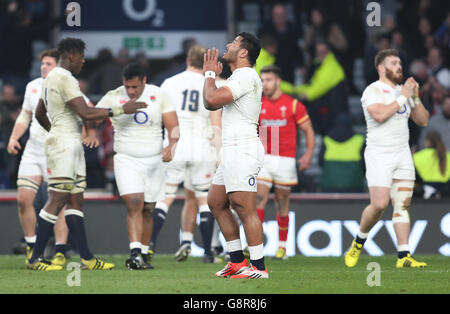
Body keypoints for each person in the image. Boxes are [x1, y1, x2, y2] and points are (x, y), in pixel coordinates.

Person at [30, 37, 146, 271]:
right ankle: (36, 259)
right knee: (57, 199)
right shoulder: (64, 77)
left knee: (75, 199)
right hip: (65, 144)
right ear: (71, 54)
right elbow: (85, 112)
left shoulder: (50, 77)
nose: (84, 61)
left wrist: (54, 131)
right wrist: (122, 109)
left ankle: (86, 258)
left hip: (68, 141)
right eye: (82, 56)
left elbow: (40, 113)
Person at [345, 49, 430, 269]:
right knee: (379, 204)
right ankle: (359, 240)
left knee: (402, 205)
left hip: (402, 154)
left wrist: (415, 97)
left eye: (400, 63)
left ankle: (404, 256)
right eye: (393, 63)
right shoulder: (373, 90)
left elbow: (423, 121)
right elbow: (380, 115)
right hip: (379, 154)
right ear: (381, 68)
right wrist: (403, 96)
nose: (399, 67)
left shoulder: (403, 92)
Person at [95, 62, 179, 270]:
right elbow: (92, 115)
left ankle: (143, 252)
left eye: (135, 87)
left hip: (154, 160)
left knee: (149, 208)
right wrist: (118, 110)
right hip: (126, 158)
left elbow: (173, 126)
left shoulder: (159, 95)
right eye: (127, 87)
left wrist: (172, 145)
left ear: (144, 81)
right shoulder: (114, 96)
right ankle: (134, 253)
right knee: (134, 202)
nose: (131, 91)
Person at [203, 32, 268, 279]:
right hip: (231, 149)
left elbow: (211, 101)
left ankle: (259, 268)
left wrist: (209, 74)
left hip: (243, 148)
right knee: (216, 202)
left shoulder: (246, 75)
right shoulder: (238, 77)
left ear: (243, 53)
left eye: (234, 43)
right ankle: (237, 262)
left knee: (243, 207)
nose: (228, 45)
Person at [149, 45, 221, 263]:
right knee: (203, 201)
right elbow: (216, 123)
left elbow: (158, 115)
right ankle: (208, 252)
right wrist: (219, 154)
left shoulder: (170, 83)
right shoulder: (210, 85)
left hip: (175, 144)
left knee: (165, 198)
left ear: (188, 59)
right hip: (201, 146)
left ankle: (150, 244)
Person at [7, 49, 75, 266]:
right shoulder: (32, 86)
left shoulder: (68, 86)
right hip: (33, 150)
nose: (43, 67)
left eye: (48, 63)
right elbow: (25, 114)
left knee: (57, 205)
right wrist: (14, 137)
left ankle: (61, 251)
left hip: (57, 152)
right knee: (23, 199)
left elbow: (83, 112)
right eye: (42, 63)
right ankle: (31, 248)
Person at [256, 65, 315, 260]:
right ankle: (256, 246)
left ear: (278, 81)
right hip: (263, 157)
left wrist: (308, 154)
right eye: (262, 80)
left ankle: (281, 247)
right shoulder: (258, 104)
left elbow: (308, 130)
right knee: (259, 199)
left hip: (285, 159)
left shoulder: (293, 104)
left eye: (268, 80)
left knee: (282, 202)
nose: (265, 84)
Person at [319, 113, 365, 193]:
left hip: (329, 187)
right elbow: (365, 164)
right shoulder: (359, 140)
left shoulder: (327, 139)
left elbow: (320, 162)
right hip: (354, 187)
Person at [414, 131, 450, 199]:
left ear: (427, 142)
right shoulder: (447, 156)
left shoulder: (417, 156)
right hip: (445, 192)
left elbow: (415, 176)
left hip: (423, 191)